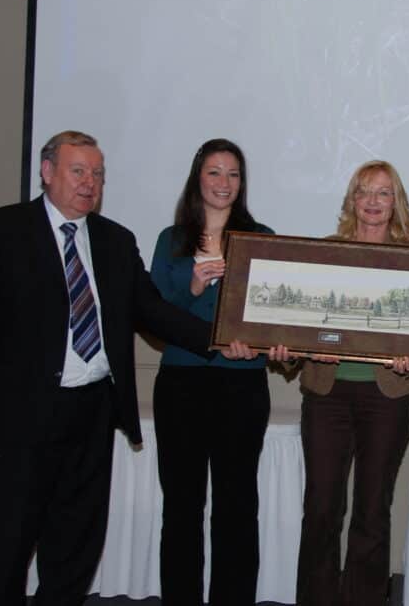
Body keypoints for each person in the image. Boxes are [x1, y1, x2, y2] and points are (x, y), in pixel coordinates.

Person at [0, 130, 248, 606]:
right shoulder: (2, 230)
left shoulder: (114, 240)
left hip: (93, 413)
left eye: (99, 174)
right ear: (47, 172)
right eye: (79, 171)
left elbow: (154, 311)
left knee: (75, 547)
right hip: (23, 413)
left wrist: (219, 341)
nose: (90, 183)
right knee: (7, 544)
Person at [270, 160, 409, 606]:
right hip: (327, 395)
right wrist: (294, 349)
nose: (372, 202)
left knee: (373, 511)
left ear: (397, 204)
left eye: (383, 193)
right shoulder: (324, 252)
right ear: (351, 200)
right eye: (364, 192)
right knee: (321, 510)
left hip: (386, 396)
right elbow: (297, 329)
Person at [149, 139, 273, 605]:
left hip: (241, 385)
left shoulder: (262, 237)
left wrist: (262, 346)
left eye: (233, 174)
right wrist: (196, 285)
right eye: (215, 172)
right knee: (182, 507)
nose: (224, 183)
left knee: (237, 508)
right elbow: (155, 315)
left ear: (242, 184)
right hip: (182, 384)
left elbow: (270, 315)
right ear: (197, 178)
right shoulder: (170, 240)